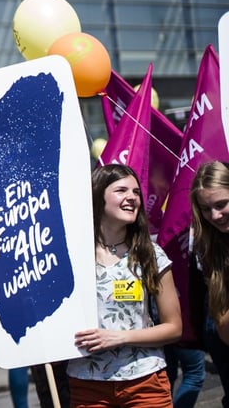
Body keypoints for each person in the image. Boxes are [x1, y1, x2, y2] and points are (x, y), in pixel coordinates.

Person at [67, 164, 181, 408]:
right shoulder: (71, 256)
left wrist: (119, 337)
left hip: (145, 381)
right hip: (87, 383)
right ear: (98, 196)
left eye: (136, 192)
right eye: (121, 190)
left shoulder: (150, 254)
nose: (132, 197)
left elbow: (174, 328)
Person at [189, 160, 229, 406]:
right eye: (205, 208)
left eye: (221, 204)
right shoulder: (208, 246)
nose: (214, 215)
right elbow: (224, 329)